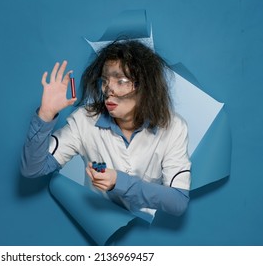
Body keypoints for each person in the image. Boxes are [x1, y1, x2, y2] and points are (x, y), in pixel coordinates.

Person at [21, 40, 191, 218]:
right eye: (105, 81)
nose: (109, 90)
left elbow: (178, 201)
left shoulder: (174, 127)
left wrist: (119, 181)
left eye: (121, 81)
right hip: (98, 228)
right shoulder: (84, 120)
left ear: (146, 86)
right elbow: (33, 169)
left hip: (147, 232)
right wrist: (45, 114)